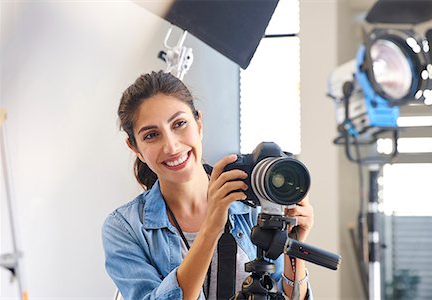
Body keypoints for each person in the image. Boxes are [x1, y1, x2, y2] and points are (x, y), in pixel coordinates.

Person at [102, 71, 315, 300]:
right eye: (152, 135)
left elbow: (287, 295)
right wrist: (212, 227)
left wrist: (294, 245)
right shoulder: (125, 228)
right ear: (135, 149)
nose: (172, 146)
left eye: (180, 123)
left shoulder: (252, 204)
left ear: (199, 124)